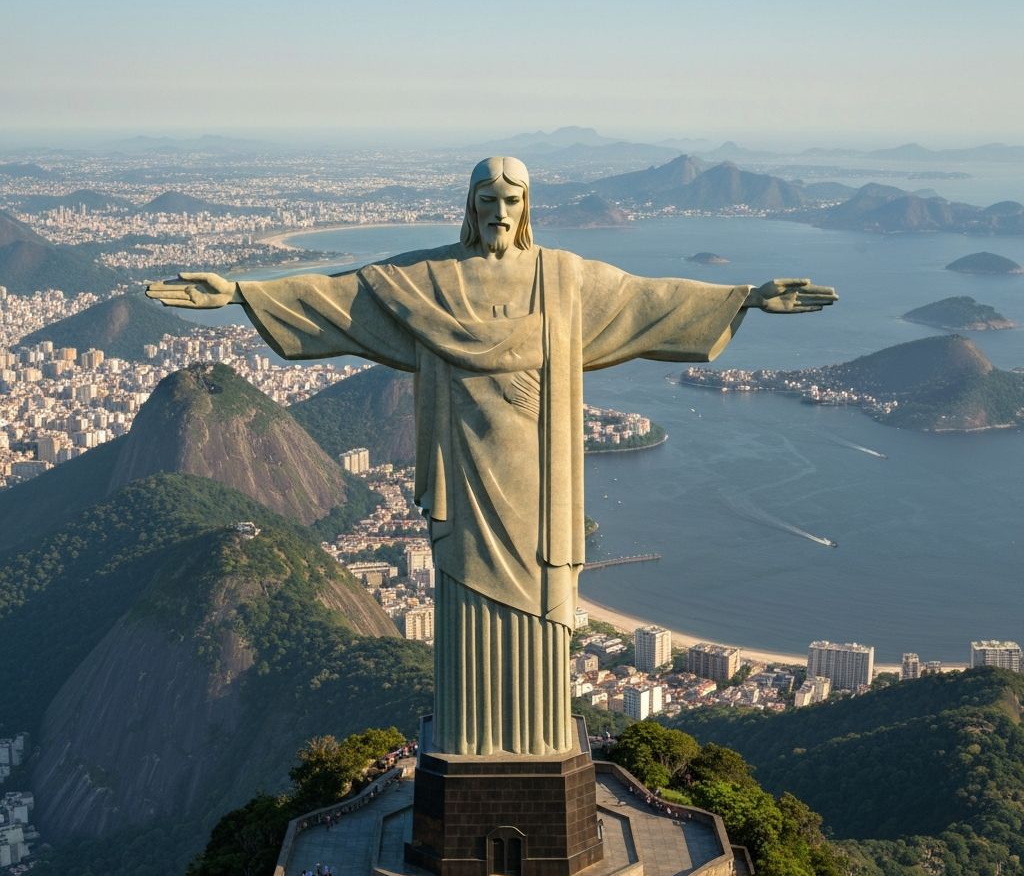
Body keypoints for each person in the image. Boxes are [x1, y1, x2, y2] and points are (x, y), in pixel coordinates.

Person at [148, 156, 835, 758]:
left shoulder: (564, 279)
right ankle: (469, 740)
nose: (499, 212)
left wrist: (744, 297)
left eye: (511, 202)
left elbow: (648, 300)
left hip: (539, 478)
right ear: (470, 207)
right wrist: (241, 291)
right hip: (464, 472)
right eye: (487, 201)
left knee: (539, 601)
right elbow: (344, 293)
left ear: (526, 209)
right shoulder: (430, 279)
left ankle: (535, 742)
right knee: (466, 596)